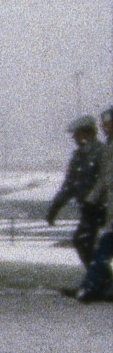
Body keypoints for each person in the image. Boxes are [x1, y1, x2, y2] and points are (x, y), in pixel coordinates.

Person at [50, 114, 109, 304]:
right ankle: (98, 282)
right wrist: (56, 206)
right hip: (90, 206)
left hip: (100, 206)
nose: (75, 138)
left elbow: (103, 180)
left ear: (86, 133)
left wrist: (95, 200)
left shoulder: (101, 152)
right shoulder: (80, 155)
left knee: (91, 243)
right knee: (87, 243)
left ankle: (97, 283)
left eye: (77, 134)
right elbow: (70, 184)